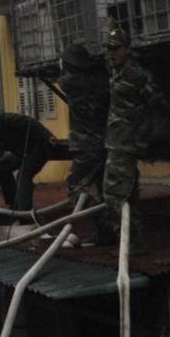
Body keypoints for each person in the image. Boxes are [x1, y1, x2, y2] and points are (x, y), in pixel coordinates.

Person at [103, 22, 170, 248]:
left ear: (127, 49)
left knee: (115, 194)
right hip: (117, 139)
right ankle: (133, 241)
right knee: (126, 193)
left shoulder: (136, 75)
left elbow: (157, 101)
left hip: (127, 141)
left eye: (115, 48)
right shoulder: (115, 70)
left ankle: (129, 243)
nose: (111, 53)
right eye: (108, 48)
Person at [59, 42, 111, 244]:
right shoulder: (101, 81)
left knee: (75, 188)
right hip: (104, 143)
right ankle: (106, 232)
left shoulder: (70, 83)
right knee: (104, 188)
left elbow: (63, 77)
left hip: (86, 146)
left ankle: (99, 216)